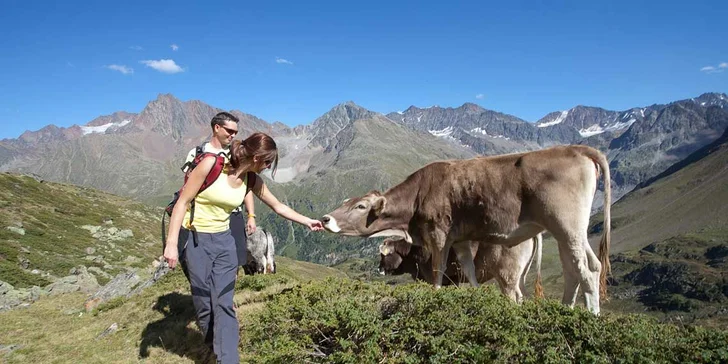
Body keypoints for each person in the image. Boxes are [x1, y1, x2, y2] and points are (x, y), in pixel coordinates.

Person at [164, 132, 324, 363]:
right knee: (203, 305)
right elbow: (182, 202)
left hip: (225, 242)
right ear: (257, 157)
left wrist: (307, 221)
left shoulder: (252, 180)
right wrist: (171, 244)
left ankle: (227, 359)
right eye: (268, 162)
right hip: (197, 241)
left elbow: (278, 206)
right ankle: (213, 346)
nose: (268, 167)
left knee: (224, 303)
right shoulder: (211, 164)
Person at [176, 112, 257, 281]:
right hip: (202, 219)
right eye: (229, 131)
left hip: (233, 214)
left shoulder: (235, 154)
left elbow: (246, 185)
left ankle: (226, 297)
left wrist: (251, 215)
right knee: (201, 265)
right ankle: (209, 298)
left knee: (233, 260)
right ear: (216, 127)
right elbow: (188, 186)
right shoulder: (197, 153)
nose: (233, 135)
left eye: (235, 132)